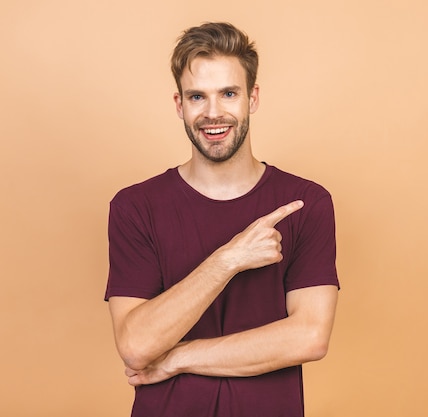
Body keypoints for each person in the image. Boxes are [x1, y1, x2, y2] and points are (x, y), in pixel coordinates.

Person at [104, 22, 339, 417]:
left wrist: (178, 358)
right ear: (179, 104)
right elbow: (136, 345)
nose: (213, 113)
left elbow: (309, 337)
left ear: (253, 98)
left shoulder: (306, 203)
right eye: (198, 96)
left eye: (228, 93)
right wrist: (228, 259)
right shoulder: (135, 206)